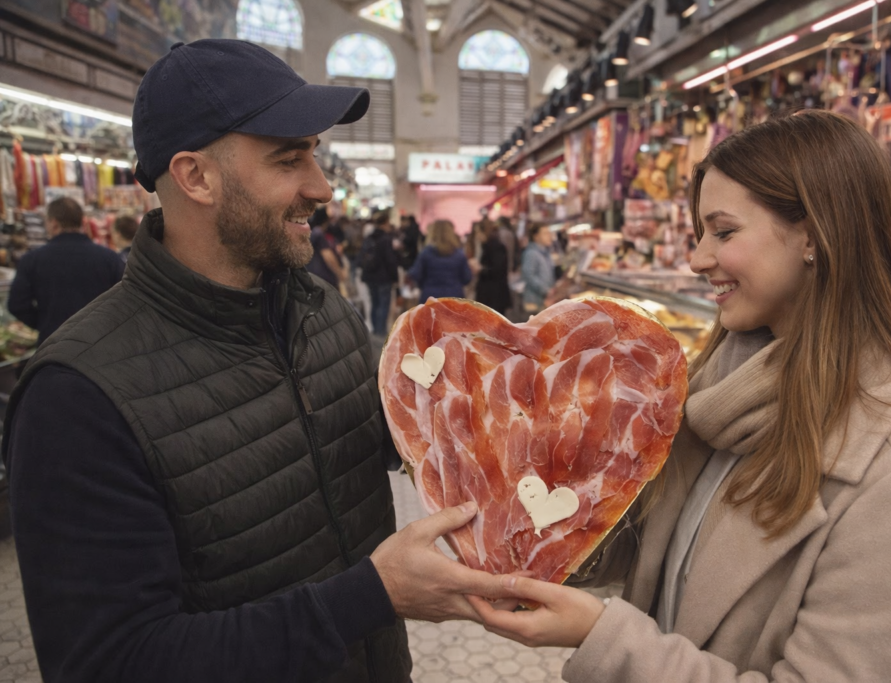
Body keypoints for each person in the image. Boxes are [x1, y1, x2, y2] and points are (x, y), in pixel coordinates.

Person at [1, 39, 515, 683]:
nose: (322, 188)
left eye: (316, 155)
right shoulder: (77, 398)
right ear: (195, 177)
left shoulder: (321, 309)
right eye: (287, 159)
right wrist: (367, 598)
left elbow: (364, 441)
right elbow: (107, 662)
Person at [468, 111, 891, 682]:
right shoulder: (721, 401)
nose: (697, 258)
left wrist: (603, 636)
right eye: (700, 234)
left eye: (723, 232)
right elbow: (669, 563)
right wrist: (535, 533)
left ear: (815, 235)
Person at [7, 196, 124, 344]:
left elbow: (17, 305)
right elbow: (126, 300)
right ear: (82, 221)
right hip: (100, 346)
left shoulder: (32, 260)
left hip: (53, 346)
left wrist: (45, 324)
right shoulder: (109, 258)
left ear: (54, 223)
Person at [406, 219, 472, 304]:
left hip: (430, 296)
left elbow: (416, 274)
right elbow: (467, 278)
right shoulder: (459, 255)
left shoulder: (426, 253)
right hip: (454, 297)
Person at [360, 210, 399, 336]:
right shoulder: (386, 239)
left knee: (374, 304)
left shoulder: (369, 238)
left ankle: (375, 331)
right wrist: (395, 277)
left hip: (370, 276)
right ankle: (381, 333)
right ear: (386, 223)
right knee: (383, 305)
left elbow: (361, 257)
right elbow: (390, 260)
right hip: (383, 277)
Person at [474, 221, 512, 316]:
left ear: (485, 232)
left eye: (478, 232)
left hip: (494, 296)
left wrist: (481, 269)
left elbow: (498, 270)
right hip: (491, 295)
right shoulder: (488, 246)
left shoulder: (496, 247)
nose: (477, 236)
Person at [306, 207, 348, 292]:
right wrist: (340, 274)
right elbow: (328, 256)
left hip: (315, 277)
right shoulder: (318, 233)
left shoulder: (313, 232)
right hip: (325, 279)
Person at [520, 223, 555, 312]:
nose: (549, 236)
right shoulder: (531, 253)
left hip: (544, 300)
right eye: (545, 233)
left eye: (549, 233)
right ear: (536, 236)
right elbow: (528, 276)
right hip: (534, 301)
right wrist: (546, 290)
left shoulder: (545, 252)